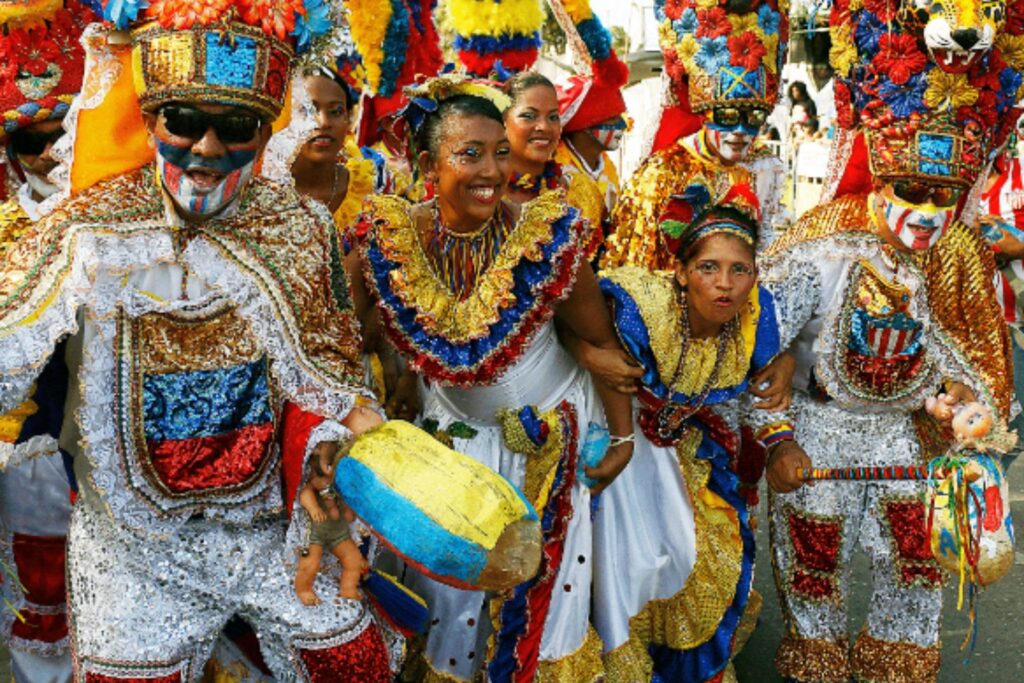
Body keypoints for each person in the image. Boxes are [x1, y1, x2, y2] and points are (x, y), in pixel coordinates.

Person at [0, 3, 408, 677]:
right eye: (184, 121)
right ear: (153, 120)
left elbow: (335, 383)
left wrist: (331, 490)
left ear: (265, 129)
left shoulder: (298, 229)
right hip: (131, 548)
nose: (207, 148)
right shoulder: (86, 231)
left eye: (235, 125)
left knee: (356, 663)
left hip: (266, 532)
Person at [759, 2, 1019, 677]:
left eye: (946, 193)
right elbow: (756, 349)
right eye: (911, 190)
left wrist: (968, 409)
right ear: (879, 172)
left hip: (907, 445)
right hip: (818, 434)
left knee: (914, 570)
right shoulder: (821, 242)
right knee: (813, 567)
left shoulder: (961, 251)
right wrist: (776, 437)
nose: (929, 213)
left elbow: (983, 357)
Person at [348, 76, 634, 681]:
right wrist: (390, 387)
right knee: (453, 604)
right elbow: (347, 343)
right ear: (427, 163)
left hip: (548, 444)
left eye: (499, 150)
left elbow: (603, 344)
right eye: (469, 153)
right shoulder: (388, 243)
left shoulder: (548, 239)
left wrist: (625, 438)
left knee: (545, 606)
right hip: (452, 451)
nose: (492, 169)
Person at [587, 184, 804, 682]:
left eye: (740, 270)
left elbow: (763, 395)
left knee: (693, 559)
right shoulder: (638, 303)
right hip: (608, 442)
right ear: (681, 272)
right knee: (614, 571)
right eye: (708, 267)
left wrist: (783, 444)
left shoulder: (754, 318)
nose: (725, 284)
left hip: (678, 453)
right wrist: (586, 353)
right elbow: (566, 319)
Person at [0, 3, 96, 681]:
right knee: (41, 610)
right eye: (27, 139)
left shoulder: (119, 217)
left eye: (59, 131)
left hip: (111, 459)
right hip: (26, 460)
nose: (45, 153)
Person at [603, 0, 790, 272]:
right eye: (726, 117)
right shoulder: (662, 173)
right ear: (705, 114)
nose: (740, 131)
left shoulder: (762, 167)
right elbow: (636, 272)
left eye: (754, 118)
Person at [504, 71, 606, 259]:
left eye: (553, 117)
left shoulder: (580, 191)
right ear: (503, 122)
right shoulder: (484, 193)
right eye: (529, 116)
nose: (543, 127)